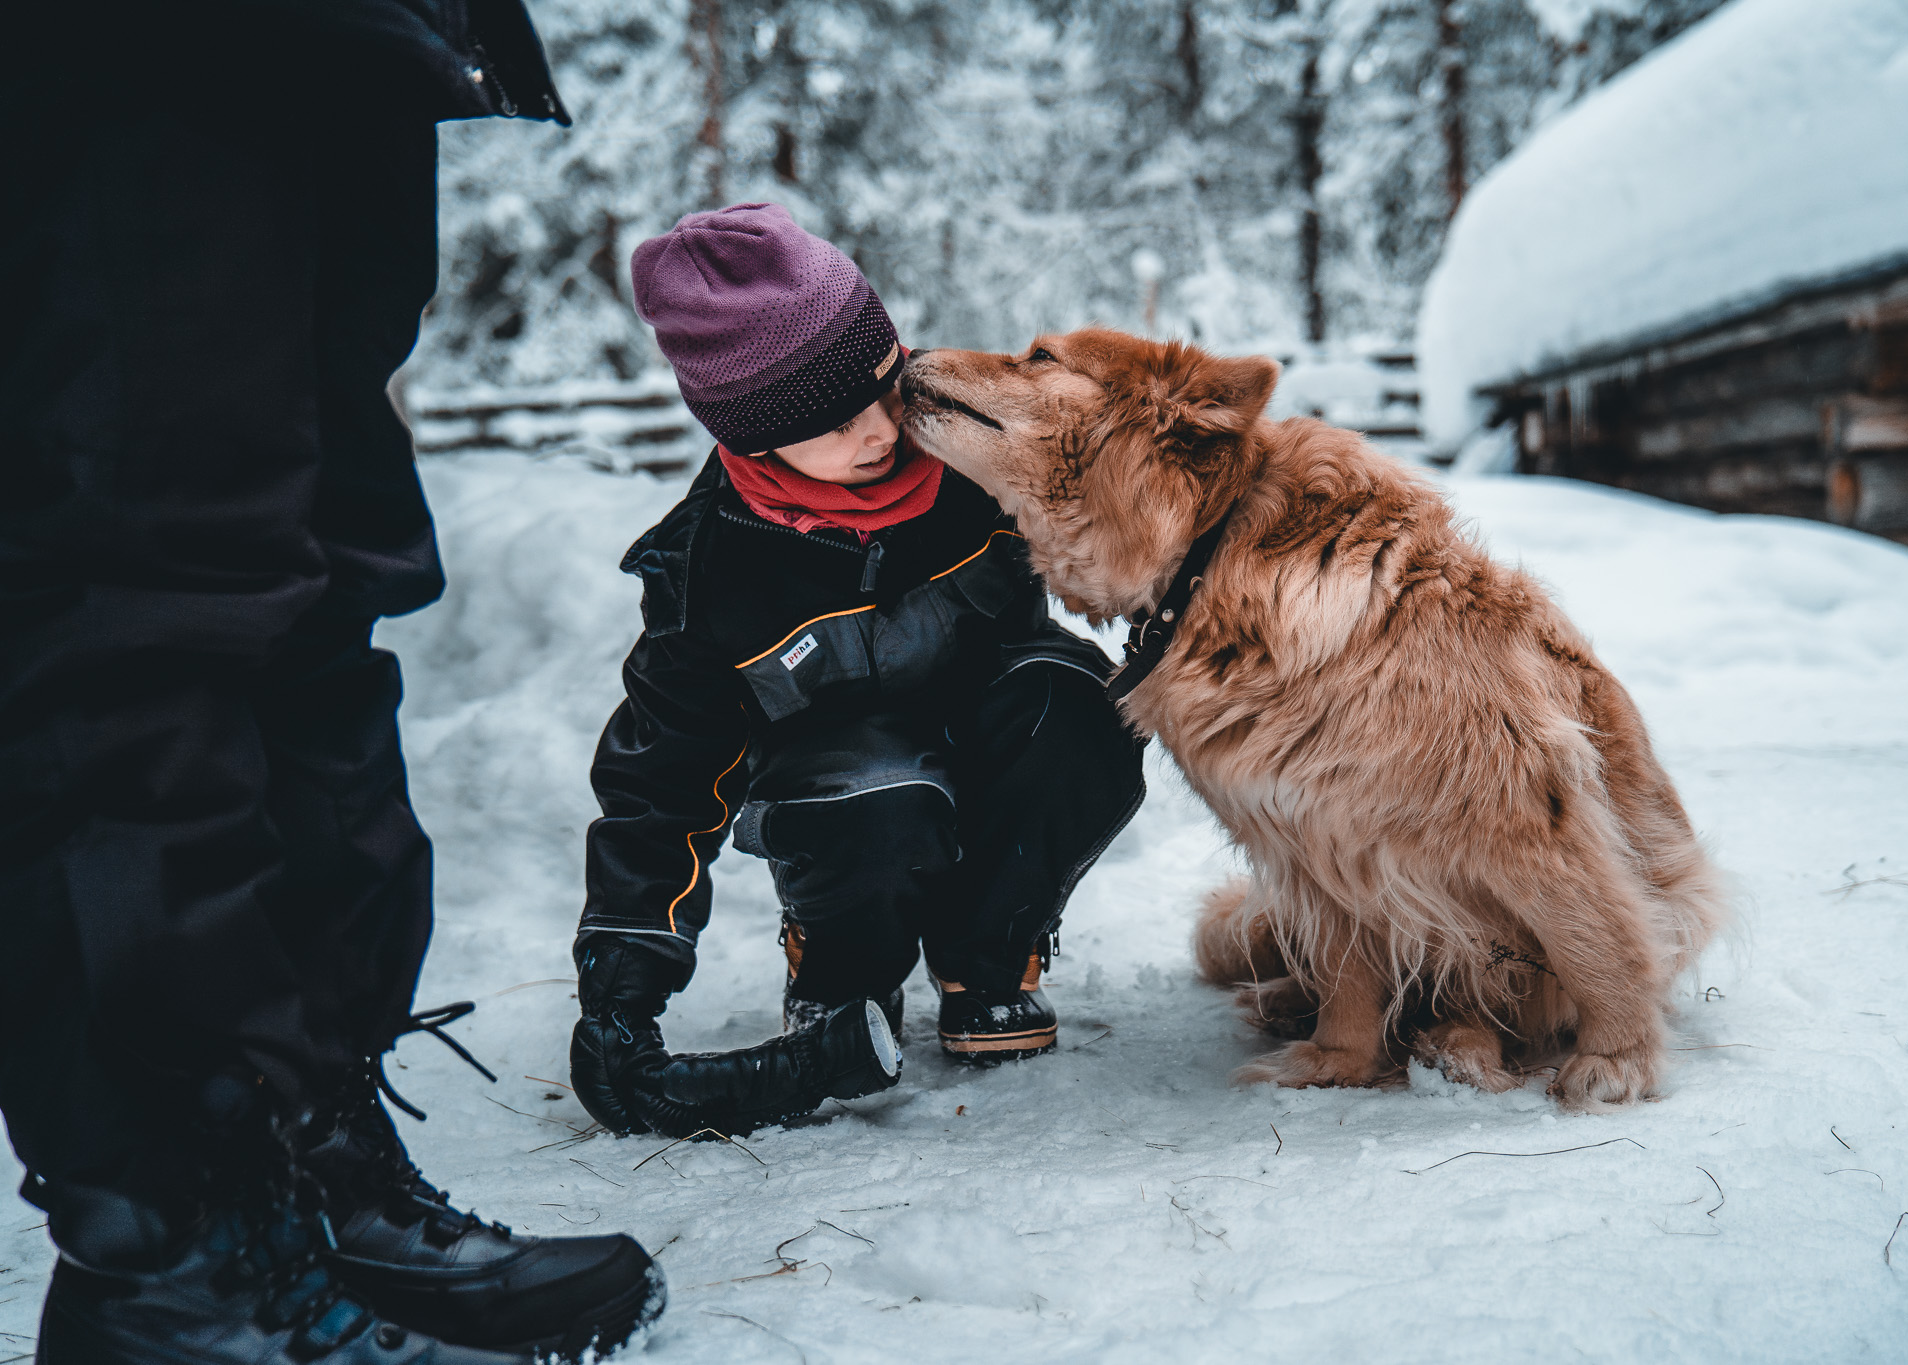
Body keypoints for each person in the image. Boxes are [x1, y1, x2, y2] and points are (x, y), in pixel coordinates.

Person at [2, 4, 665, 1361]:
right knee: (146, 565)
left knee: (315, 568)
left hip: (344, 42)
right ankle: (176, 1244)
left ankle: (309, 1167)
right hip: (108, 51)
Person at [570, 204, 1148, 1136]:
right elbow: (660, 788)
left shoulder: (976, 468)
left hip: (987, 732)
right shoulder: (711, 576)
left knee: (1084, 707)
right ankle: (844, 973)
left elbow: (1127, 534)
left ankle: (986, 957)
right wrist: (621, 984)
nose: (884, 430)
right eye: (836, 423)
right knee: (879, 790)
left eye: (887, 389)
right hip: (847, 799)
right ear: (754, 436)